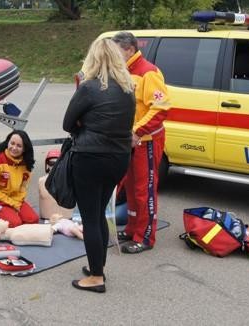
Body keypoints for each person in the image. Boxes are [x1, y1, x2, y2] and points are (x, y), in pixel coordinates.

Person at [63, 38, 135, 293]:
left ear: (92, 59)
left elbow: (67, 123)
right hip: (119, 157)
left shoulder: (88, 88)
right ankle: (98, 265)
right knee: (101, 212)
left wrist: (84, 124)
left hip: (90, 156)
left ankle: (96, 277)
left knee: (90, 217)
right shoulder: (129, 89)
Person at [113, 31, 170, 254]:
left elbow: (161, 108)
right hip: (129, 142)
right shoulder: (124, 72)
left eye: (116, 51)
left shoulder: (149, 72)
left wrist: (137, 131)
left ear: (128, 50)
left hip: (145, 141)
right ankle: (131, 229)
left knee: (144, 190)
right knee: (131, 187)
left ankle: (145, 237)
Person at [0, 130, 39, 228]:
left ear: (24, 149)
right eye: (12, 143)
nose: (14, 148)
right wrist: (12, 203)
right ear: (7, 143)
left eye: (19, 146)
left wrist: (16, 202)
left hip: (11, 198)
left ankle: (8, 212)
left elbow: (23, 188)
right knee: (13, 223)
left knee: (32, 219)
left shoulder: (26, 164)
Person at [38, 149, 74, 221]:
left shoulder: (70, 181)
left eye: (57, 163)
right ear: (47, 165)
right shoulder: (41, 181)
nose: (54, 166)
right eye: (51, 163)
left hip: (67, 219)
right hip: (47, 220)